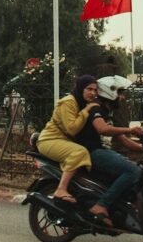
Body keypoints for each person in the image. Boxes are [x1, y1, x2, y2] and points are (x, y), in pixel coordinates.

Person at [76, 75, 143, 226]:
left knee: (136, 168)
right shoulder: (96, 108)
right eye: (120, 93)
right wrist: (130, 128)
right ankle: (101, 205)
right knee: (133, 171)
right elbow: (102, 129)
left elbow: (123, 140)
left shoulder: (107, 112)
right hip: (92, 152)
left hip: (100, 150)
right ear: (110, 92)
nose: (122, 97)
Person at [36, 75, 102, 204]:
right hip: (49, 140)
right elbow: (72, 128)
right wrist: (87, 110)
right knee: (79, 152)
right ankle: (61, 189)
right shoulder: (69, 102)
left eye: (95, 90)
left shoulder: (81, 102)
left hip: (63, 141)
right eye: (89, 89)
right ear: (81, 88)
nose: (93, 93)